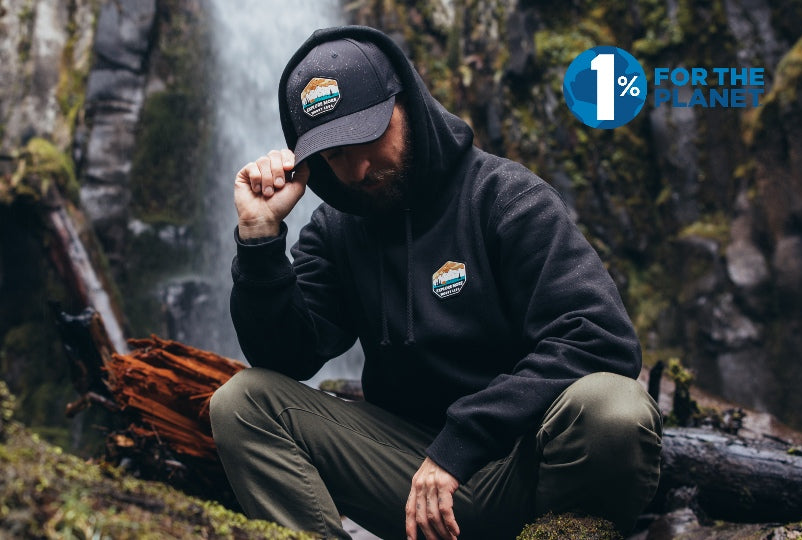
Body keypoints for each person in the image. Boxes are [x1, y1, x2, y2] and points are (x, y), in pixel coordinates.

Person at [210, 25, 662, 540]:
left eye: (367, 136)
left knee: (614, 409)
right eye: (334, 154)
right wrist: (260, 237)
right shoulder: (335, 231)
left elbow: (600, 339)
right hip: (409, 484)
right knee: (241, 404)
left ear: (409, 103)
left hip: (527, 470)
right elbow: (285, 360)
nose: (356, 169)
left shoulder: (506, 199)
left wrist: (459, 446)